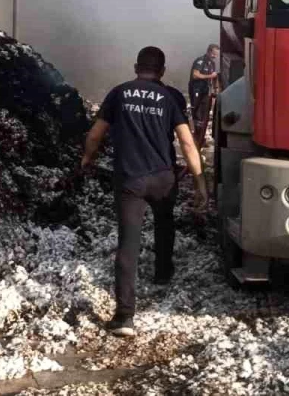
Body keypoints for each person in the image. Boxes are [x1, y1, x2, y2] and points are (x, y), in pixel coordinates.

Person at [81, 46, 208, 337]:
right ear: (161, 71)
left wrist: (88, 157)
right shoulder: (171, 97)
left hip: (130, 180)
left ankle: (125, 316)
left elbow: (95, 134)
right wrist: (200, 181)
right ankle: (163, 271)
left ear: (136, 66)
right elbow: (187, 144)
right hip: (163, 177)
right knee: (165, 223)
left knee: (129, 242)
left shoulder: (119, 93)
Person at [188, 44, 221, 146]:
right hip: (196, 90)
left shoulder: (212, 63)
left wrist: (216, 89)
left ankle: (201, 139)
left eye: (216, 54)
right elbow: (195, 74)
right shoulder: (200, 61)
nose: (215, 56)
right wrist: (210, 76)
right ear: (209, 52)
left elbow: (214, 77)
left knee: (204, 114)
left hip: (206, 91)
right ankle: (196, 138)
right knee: (197, 114)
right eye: (214, 54)